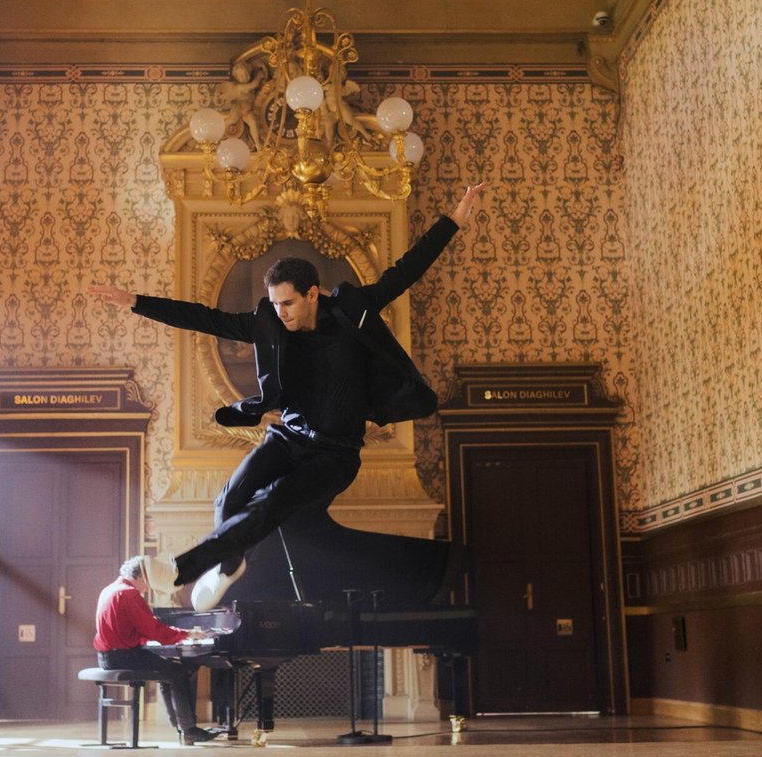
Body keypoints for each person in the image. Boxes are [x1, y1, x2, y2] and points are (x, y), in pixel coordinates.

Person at [90, 183, 485, 611]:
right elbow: (205, 318)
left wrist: (453, 221)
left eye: (289, 304)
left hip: (334, 455)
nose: (281, 313)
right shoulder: (270, 324)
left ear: (313, 293)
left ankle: (180, 569)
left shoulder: (350, 312)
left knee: (273, 503)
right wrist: (136, 301)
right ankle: (228, 567)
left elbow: (405, 271)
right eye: (275, 304)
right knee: (229, 498)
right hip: (288, 439)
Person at [92, 555, 218, 745]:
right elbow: (153, 629)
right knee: (178, 671)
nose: (147, 588)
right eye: (148, 583)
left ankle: (180, 726)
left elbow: (131, 629)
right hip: (123, 656)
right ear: (140, 577)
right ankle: (189, 730)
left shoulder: (109, 589)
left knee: (168, 670)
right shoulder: (128, 593)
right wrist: (187, 634)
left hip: (107, 656)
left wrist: (168, 637)